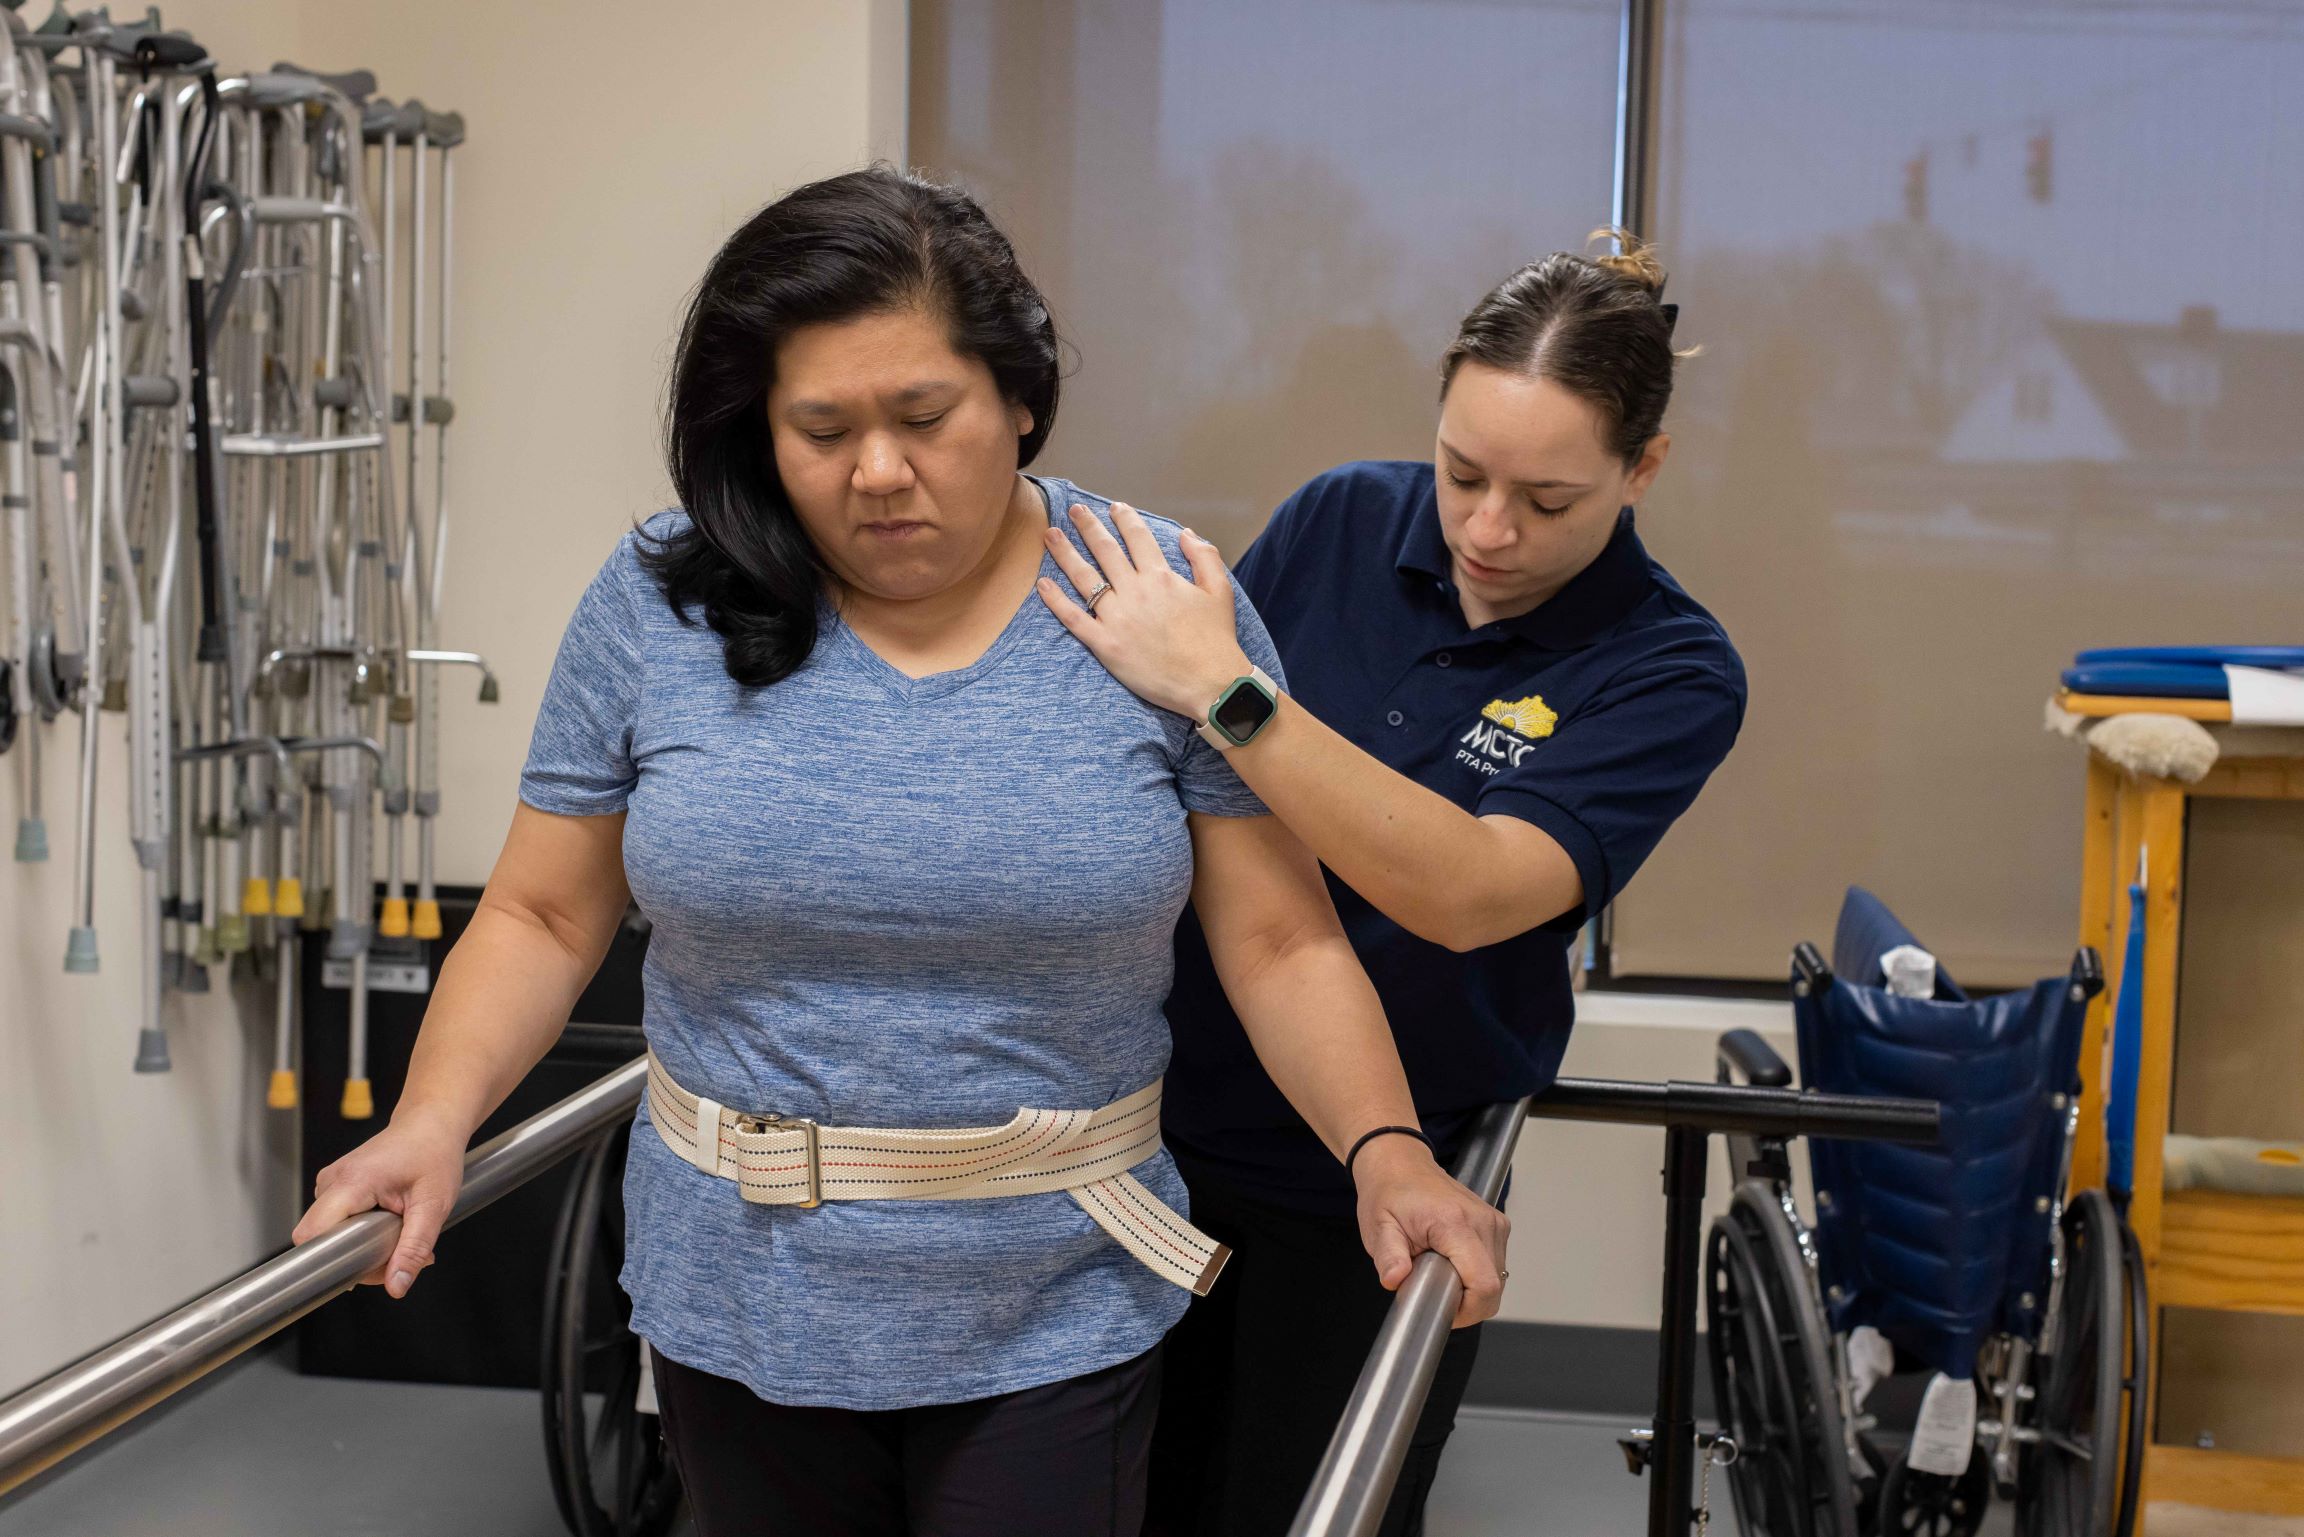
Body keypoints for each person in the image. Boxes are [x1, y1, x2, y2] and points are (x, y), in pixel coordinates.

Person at [287, 167, 1507, 1537]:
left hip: (1053, 1292)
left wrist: (1386, 1148)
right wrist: (429, 1123)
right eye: (822, 429)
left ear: (1021, 400)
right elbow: (539, 916)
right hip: (735, 1289)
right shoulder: (659, 599)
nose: (877, 472)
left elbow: (1282, 938)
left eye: (924, 416)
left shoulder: (1157, 600)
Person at [1038, 232, 1747, 1535]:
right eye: (1463, 472)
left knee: (1311, 1506)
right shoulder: (1342, 521)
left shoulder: (1671, 668)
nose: (1486, 527)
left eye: (1548, 500)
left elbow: (1469, 890)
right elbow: (1182, 788)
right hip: (1162, 1127)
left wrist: (1228, 689)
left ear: (1643, 470)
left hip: (1380, 1176)